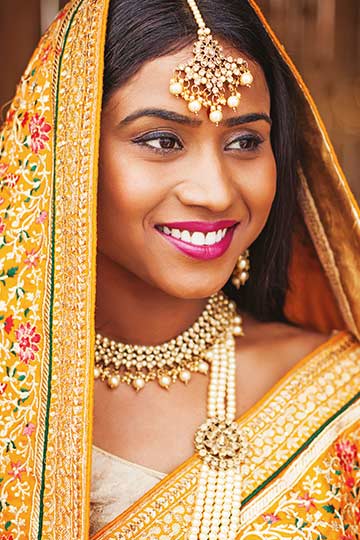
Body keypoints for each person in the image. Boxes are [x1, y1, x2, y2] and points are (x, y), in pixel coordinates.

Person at [0, 0, 359, 538]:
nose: (215, 193)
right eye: (162, 141)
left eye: (245, 141)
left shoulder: (341, 396)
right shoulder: (15, 391)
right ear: (64, 152)